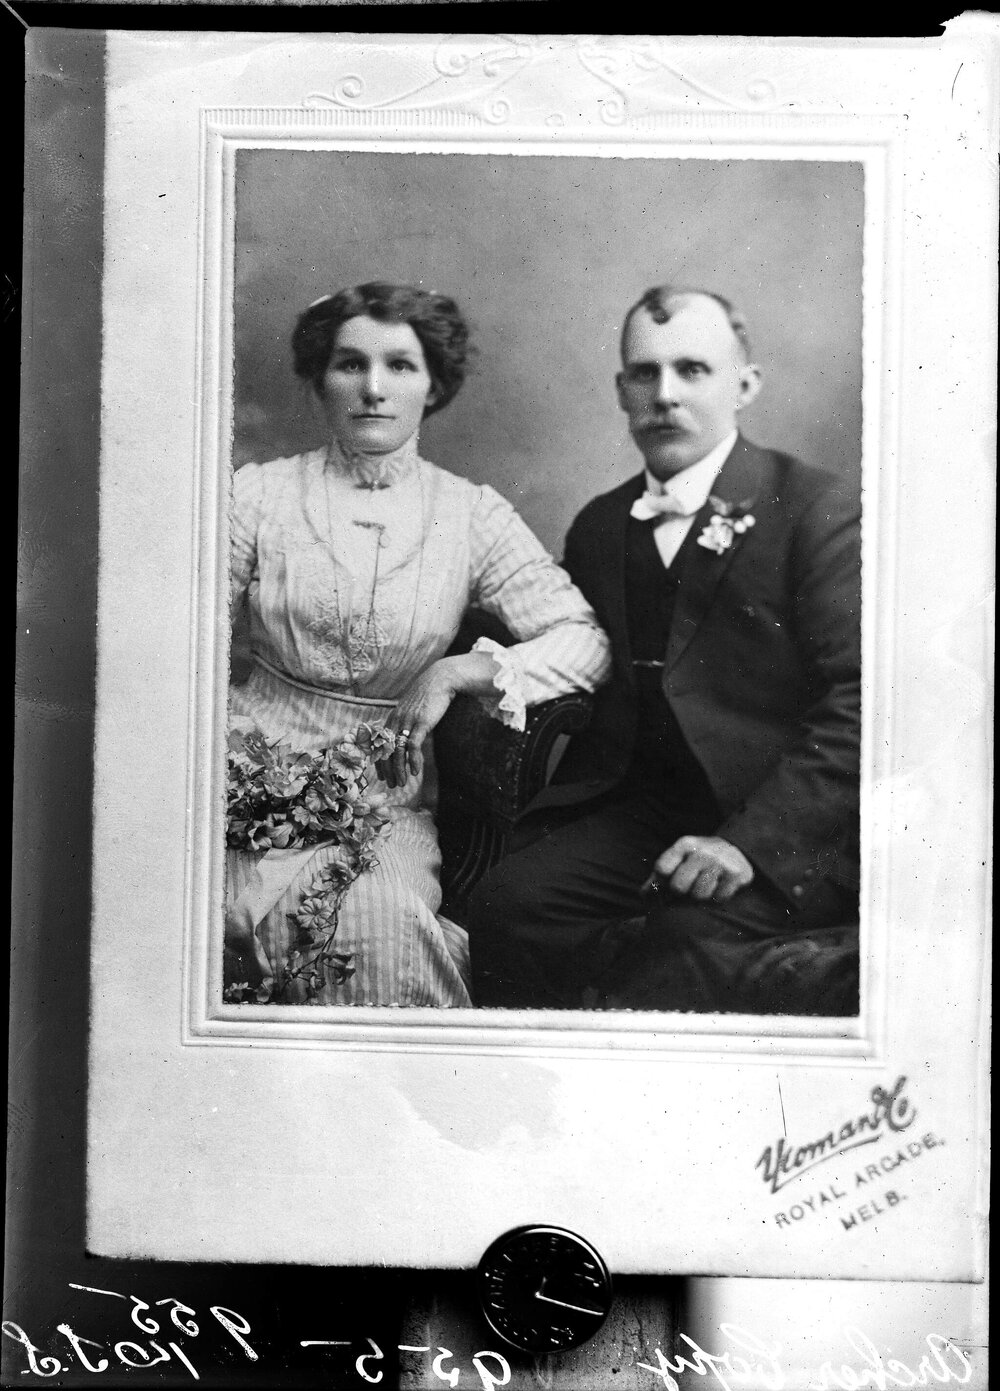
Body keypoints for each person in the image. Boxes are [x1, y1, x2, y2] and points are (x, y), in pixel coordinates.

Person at [468, 286, 861, 1013]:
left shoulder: (814, 508)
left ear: (745, 386)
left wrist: (749, 844)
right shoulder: (600, 524)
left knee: (682, 945)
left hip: (787, 826)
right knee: (505, 904)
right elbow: (564, 642)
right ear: (621, 390)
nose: (665, 394)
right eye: (644, 374)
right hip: (645, 811)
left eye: (692, 370)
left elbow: (861, 703)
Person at [225, 281, 610, 1007]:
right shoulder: (258, 497)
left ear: (434, 385)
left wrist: (459, 671)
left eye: (400, 366)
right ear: (318, 378)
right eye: (350, 364)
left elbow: (584, 642)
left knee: (380, 925)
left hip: (381, 789)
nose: (373, 388)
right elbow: (182, 644)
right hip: (242, 768)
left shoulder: (471, 515)